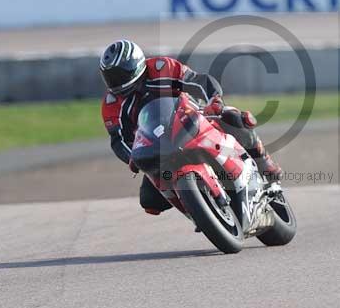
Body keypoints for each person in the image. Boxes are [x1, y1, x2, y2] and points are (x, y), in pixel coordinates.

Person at [99, 39, 283, 215]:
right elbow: (118, 139)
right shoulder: (111, 103)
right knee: (149, 201)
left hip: (190, 119)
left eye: (120, 75)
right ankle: (196, 211)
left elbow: (198, 81)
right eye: (110, 77)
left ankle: (264, 162)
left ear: (136, 64)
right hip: (157, 145)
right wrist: (131, 157)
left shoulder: (161, 66)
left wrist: (214, 101)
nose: (116, 82)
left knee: (233, 117)